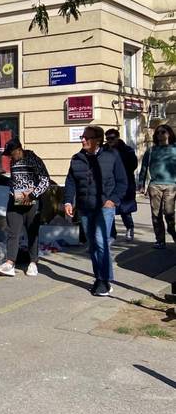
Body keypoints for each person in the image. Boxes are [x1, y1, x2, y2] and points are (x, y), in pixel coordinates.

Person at [64, 125, 128, 296]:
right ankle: (99, 277)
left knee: (101, 242)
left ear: (98, 140)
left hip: (103, 208)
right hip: (85, 207)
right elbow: (71, 181)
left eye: (87, 137)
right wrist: (68, 201)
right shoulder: (77, 158)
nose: (83, 140)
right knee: (92, 244)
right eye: (82, 137)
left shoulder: (111, 156)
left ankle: (104, 280)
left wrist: (113, 200)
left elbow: (122, 182)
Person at [0, 138, 51, 277]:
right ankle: (10, 263)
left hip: (31, 199)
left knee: (31, 232)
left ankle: (33, 262)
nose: (10, 157)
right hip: (15, 198)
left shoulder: (34, 159)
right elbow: (14, 180)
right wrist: (11, 190)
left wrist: (33, 195)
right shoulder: (13, 161)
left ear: (18, 150)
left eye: (12, 153)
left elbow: (45, 180)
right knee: (12, 231)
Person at [137, 124, 176, 249]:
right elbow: (144, 168)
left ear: (169, 133)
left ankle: (172, 229)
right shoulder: (151, 150)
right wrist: (141, 184)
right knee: (156, 214)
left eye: (162, 132)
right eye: (157, 133)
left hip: (171, 185)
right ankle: (160, 240)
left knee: (169, 213)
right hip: (155, 185)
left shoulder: (175, 148)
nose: (160, 135)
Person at [105, 128, 138, 241]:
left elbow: (133, 165)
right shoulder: (104, 150)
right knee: (109, 209)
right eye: (108, 138)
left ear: (118, 138)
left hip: (124, 183)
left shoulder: (127, 150)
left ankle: (129, 227)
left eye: (112, 138)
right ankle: (111, 234)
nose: (110, 141)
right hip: (109, 184)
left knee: (125, 210)